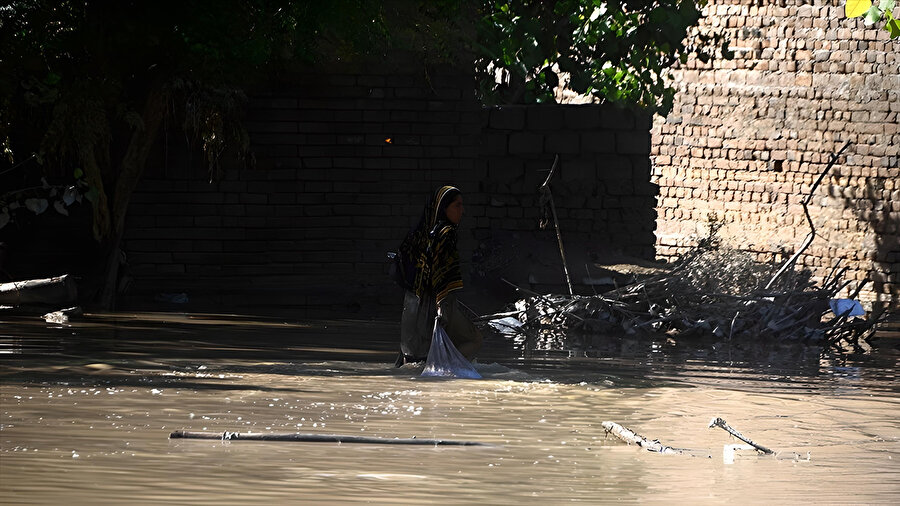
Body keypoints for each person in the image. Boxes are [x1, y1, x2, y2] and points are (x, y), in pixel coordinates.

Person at [395, 185, 482, 366]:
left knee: (414, 354)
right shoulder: (446, 233)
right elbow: (442, 272)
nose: (462, 211)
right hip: (439, 301)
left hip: (412, 303)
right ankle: (445, 370)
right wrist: (443, 306)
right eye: (457, 205)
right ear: (444, 208)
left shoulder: (419, 233)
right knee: (473, 340)